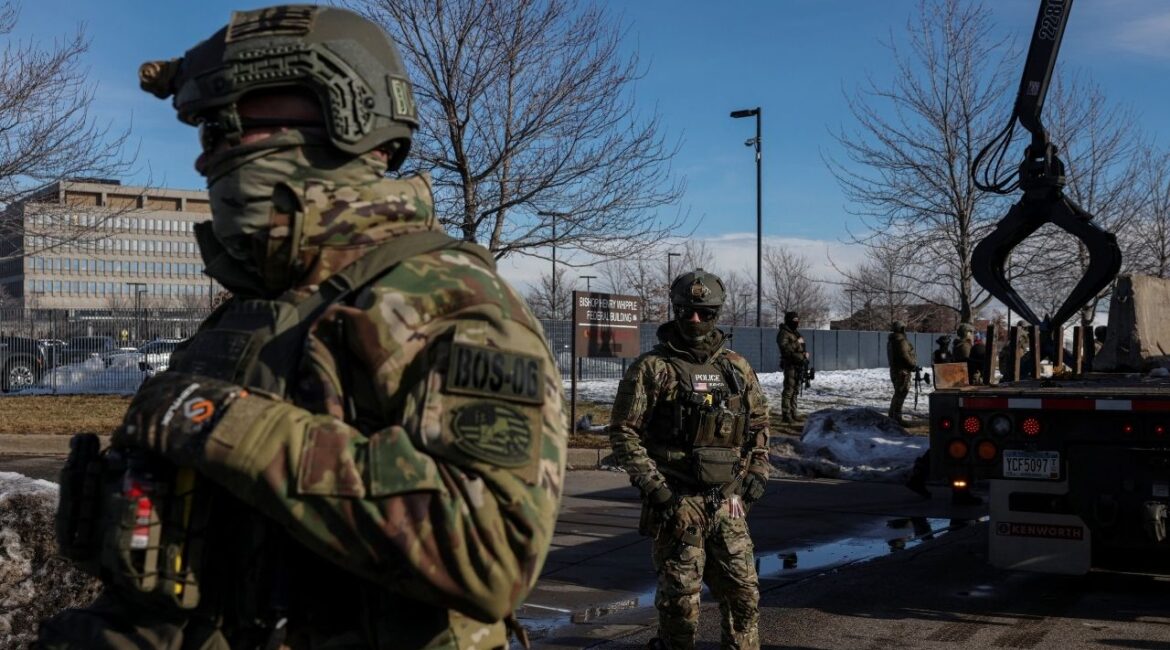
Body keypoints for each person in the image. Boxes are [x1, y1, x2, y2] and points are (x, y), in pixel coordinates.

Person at [39, 6, 567, 649]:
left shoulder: (446, 301)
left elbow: (491, 553)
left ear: (344, 112)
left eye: (238, 118)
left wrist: (219, 423)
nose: (214, 151)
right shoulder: (249, 311)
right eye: (208, 127)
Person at [608, 268, 772, 650]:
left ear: (717, 313)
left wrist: (758, 473)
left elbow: (759, 424)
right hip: (679, 503)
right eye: (686, 311)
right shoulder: (653, 368)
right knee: (681, 607)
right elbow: (623, 432)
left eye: (705, 312)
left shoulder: (736, 368)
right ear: (676, 310)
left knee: (745, 597)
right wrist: (657, 491)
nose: (695, 320)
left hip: (729, 502)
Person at [776, 310, 809, 423]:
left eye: (797, 320)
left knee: (795, 390)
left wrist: (804, 355)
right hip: (790, 364)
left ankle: (793, 412)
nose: (797, 322)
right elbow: (785, 349)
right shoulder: (784, 333)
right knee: (789, 390)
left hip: (798, 364)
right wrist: (797, 342)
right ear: (789, 321)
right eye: (794, 320)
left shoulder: (794, 332)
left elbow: (800, 346)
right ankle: (786, 414)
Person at [887, 320, 917, 426]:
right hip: (902, 371)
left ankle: (892, 415)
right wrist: (912, 365)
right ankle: (896, 417)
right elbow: (905, 356)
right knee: (901, 393)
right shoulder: (901, 341)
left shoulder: (892, 341)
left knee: (898, 393)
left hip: (895, 370)